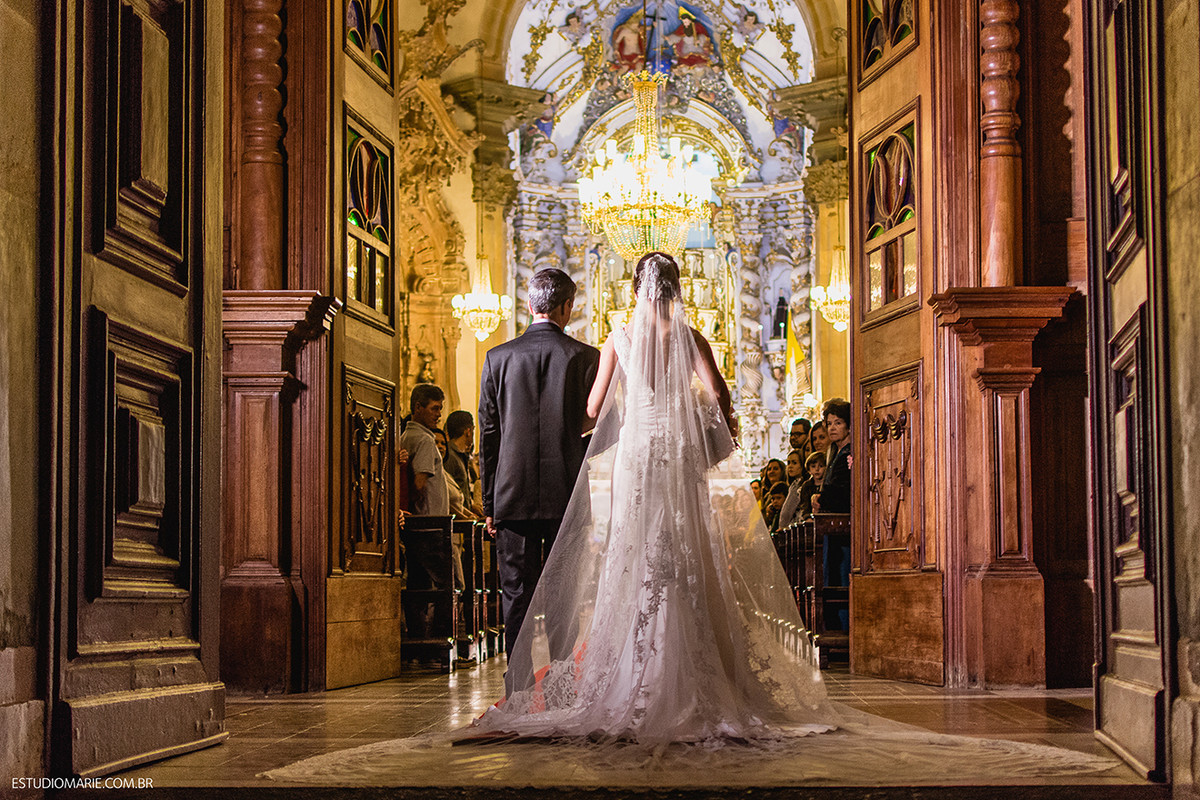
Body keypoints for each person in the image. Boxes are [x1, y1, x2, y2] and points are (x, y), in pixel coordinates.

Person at [472, 252, 835, 744]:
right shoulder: (691, 338)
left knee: (634, 553)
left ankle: (616, 673)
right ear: (677, 288)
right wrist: (690, 418)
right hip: (680, 458)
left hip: (638, 459)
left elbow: (594, 410)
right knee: (686, 551)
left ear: (636, 290)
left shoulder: (619, 339)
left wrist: (617, 420)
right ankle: (696, 667)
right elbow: (721, 400)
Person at [478, 268, 601, 679]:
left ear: (530, 304)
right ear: (568, 307)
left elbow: (489, 435)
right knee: (566, 597)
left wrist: (490, 503)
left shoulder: (498, 357)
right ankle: (562, 681)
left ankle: (517, 686)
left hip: (511, 495)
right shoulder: (586, 357)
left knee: (515, 595)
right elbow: (597, 427)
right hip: (566, 494)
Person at [400, 384, 448, 517]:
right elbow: (419, 484)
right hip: (429, 519)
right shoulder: (425, 440)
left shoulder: (405, 436)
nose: (438, 415)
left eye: (440, 409)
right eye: (434, 409)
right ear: (418, 407)